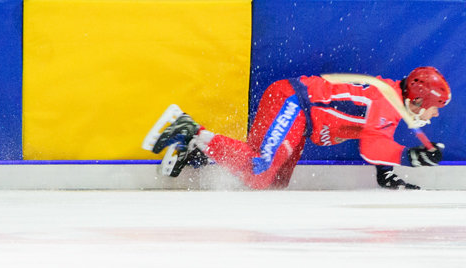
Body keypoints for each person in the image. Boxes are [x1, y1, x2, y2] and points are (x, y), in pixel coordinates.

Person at [146, 67, 450, 190]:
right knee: (258, 169)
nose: (435, 115)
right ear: (421, 99)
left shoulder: (391, 102)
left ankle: (200, 156)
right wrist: (412, 157)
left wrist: (388, 175)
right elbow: (371, 148)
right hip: (293, 102)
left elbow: (377, 141)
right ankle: (191, 130)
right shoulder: (388, 100)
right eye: (435, 107)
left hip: (296, 114)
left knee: (273, 184)